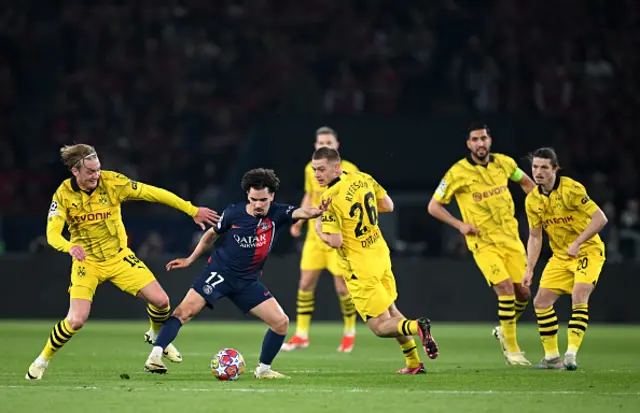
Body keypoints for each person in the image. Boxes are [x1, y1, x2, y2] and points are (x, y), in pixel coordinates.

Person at [26, 144, 219, 380]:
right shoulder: (63, 195)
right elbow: (52, 235)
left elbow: (152, 192)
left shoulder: (112, 183)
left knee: (161, 301)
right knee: (76, 320)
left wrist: (191, 209)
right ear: (75, 172)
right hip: (87, 262)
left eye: (98, 170)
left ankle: (156, 334)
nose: (96, 175)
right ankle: (42, 360)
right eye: (90, 172)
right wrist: (69, 246)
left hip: (119, 257)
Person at [144, 168, 330, 379]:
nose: (258, 204)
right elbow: (210, 235)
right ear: (247, 196)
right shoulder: (234, 212)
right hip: (220, 273)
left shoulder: (277, 212)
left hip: (247, 282)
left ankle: (263, 370)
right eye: (253, 199)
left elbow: (301, 212)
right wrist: (190, 259)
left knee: (281, 323)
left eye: (263, 200)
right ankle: (155, 356)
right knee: (183, 312)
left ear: (272, 196)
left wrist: (318, 210)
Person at [312, 147, 438, 374]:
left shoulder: (329, 197)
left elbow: (336, 241)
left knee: (380, 327)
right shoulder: (363, 178)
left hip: (360, 267)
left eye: (322, 169)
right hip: (380, 256)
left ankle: (416, 325)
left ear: (337, 168)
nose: (317, 175)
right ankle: (413, 363)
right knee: (392, 311)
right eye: (314, 170)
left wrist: (319, 228)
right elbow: (388, 205)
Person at [427, 123, 536, 365]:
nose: (480, 143)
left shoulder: (505, 164)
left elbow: (527, 183)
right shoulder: (457, 173)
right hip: (483, 242)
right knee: (505, 289)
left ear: (490, 141)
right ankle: (513, 349)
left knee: (524, 292)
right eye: (475, 139)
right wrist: (459, 225)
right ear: (468, 144)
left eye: (483, 138)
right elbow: (433, 206)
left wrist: (540, 206)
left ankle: (503, 329)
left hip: (511, 238)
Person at [523, 147, 608, 370]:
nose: (538, 172)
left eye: (543, 167)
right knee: (541, 302)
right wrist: (529, 268)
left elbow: (600, 219)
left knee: (579, 295)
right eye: (535, 167)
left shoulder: (572, 189)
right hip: (561, 256)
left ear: (555, 169)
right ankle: (552, 358)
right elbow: (534, 237)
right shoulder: (532, 200)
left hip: (587, 249)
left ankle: (571, 354)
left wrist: (578, 242)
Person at [283, 126, 360, 353]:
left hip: (339, 235)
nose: (324, 146)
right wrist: (299, 220)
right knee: (305, 283)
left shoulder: (350, 170)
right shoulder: (311, 169)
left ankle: (349, 332)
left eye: (328, 142)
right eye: (320, 143)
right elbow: (311, 194)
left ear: (337, 145)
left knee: (342, 287)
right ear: (315, 147)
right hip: (316, 235)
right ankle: (302, 335)